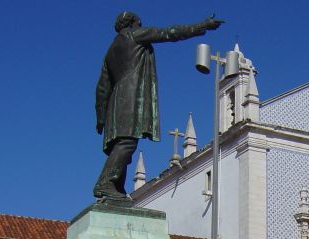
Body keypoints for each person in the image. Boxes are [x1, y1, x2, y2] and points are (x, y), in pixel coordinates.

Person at [94, 11, 222, 200]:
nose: (141, 24)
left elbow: (102, 87)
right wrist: (201, 26)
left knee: (122, 145)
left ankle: (115, 188)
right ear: (132, 23)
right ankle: (105, 182)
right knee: (127, 142)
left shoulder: (111, 51)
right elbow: (170, 33)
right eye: (139, 22)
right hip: (130, 98)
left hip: (115, 102)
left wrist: (101, 116)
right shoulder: (135, 35)